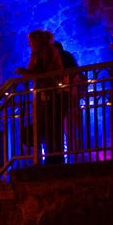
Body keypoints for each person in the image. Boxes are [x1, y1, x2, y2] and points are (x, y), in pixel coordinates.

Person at [16, 30, 66, 164]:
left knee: (52, 126)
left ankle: (55, 157)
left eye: (31, 42)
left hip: (52, 92)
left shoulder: (48, 51)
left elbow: (45, 70)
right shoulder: (36, 53)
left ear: (37, 41)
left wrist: (28, 73)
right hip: (42, 93)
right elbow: (35, 70)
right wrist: (27, 72)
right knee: (45, 126)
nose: (29, 44)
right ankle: (49, 157)